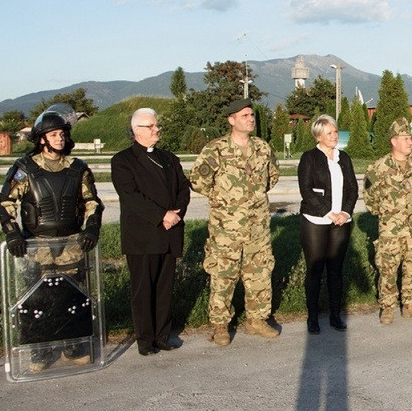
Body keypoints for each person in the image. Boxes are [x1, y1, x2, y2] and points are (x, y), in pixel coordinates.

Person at [0, 105, 103, 370]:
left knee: (72, 297)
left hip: (71, 244)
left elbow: (92, 202)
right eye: (53, 134)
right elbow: (5, 203)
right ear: (41, 139)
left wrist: (91, 229)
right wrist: (13, 234)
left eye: (62, 134)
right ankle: (40, 351)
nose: (60, 138)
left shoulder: (78, 168)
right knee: (38, 300)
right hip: (38, 244)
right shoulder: (25, 168)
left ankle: (73, 346)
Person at [190, 98, 280, 344]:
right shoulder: (216, 149)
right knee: (223, 274)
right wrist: (225, 201)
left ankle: (257, 319)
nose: (250, 119)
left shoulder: (262, 148)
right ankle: (220, 325)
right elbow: (198, 181)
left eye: (251, 115)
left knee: (260, 272)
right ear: (231, 120)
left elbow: (271, 177)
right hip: (226, 228)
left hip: (257, 226)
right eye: (244, 116)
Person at [111, 108, 191, 355]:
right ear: (137, 130)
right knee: (143, 289)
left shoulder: (169, 158)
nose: (157, 129)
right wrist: (162, 216)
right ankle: (145, 340)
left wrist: (176, 215)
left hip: (169, 232)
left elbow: (183, 188)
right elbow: (131, 196)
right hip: (143, 236)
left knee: (165, 288)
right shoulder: (123, 161)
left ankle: (163, 336)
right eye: (151, 126)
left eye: (157, 125)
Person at [363, 118, 412, 325]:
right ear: (394, 141)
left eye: (410, 137)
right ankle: (388, 307)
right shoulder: (378, 167)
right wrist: (388, 215)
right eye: (405, 138)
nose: (410, 142)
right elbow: (370, 198)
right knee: (388, 268)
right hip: (390, 229)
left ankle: (411, 305)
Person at [298, 115, 358, 334]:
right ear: (318, 136)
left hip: (341, 222)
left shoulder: (344, 158)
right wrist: (328, 212)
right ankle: (313, 317)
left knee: (335, 270)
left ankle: (335, 315)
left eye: (335, 132)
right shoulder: (309, 158)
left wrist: (345, 212)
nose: (334, 136)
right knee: (315, 269)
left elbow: (353, 188)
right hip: (315, 220)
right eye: (330, 133)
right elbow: (306, 190)